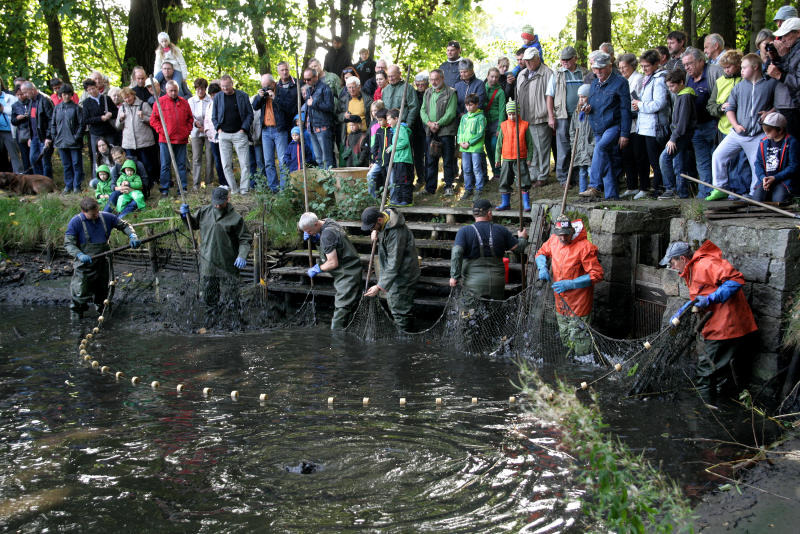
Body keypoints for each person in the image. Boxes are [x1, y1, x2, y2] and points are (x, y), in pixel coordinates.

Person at [661, 240, 758, 398]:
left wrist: (712, 298)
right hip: (720, 324)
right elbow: (702, 294)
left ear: (682, 259)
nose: (671, 267)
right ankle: (726, 404)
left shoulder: (706, 264)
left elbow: (736, 280)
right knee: (724, 371)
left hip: (726, 325)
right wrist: (683, 309)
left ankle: (703, 411)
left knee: (705, 371)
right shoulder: (691, 270)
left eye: (672, 262)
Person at [180, 187, 251, 327]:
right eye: (215, 202)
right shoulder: (204, 211)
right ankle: (211, 323)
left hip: (228, 263)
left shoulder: (236, 218)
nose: (217, 205)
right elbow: (193, 225)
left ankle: (235, 323)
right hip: (208, 261)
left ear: (227, 200)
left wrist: (242, 255)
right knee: (209, 297)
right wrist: (185, 216)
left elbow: (245, 239)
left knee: (232, 297)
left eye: (220, 202)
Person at [708, 53, 776, 200]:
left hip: (758, 134)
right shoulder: (739, 87)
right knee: (718, 155)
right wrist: (736, 125)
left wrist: (770, 112)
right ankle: (720, 187)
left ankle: (754, 193)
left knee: (756, 164)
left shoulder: (770, 84)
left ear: (755, 67)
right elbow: (730, 108)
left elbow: (778, 104)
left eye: (744, 67)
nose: (742, 70)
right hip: (737, 133)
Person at [535, 215, 604, 356]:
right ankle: (569, 368)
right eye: (560, 235)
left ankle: (583, 367)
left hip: (579, 304)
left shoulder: (584, 247)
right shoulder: (554, 240)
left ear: (572, 232)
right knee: (565, 337)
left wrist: (571, 283)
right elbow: (541, 252)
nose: (563, 238)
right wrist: (542, 266)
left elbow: (597, 274)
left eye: (566, 235)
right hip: (561, 303)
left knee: (580, 340)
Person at [64, 197, 140, 319]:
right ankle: (76, 319)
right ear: (84, 212)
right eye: (93, 214)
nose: (96, 216)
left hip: (104, 262)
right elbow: (69, 244)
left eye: (97, 212)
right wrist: (80, 255)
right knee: (80, 292)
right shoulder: (75, 222)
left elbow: (124, 225)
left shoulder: (106, 217)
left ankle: (104, 315)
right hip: (85, 265)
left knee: (104, 291)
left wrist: (132, 236)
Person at [449, 199, 528, 300]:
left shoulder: (464, 231)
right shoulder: (501, 230)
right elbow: (519, 248)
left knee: (471, 314)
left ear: (474, 214)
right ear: (489, 213)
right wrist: (522, 238)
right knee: (494, 314)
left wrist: (454, 276)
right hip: (497, 283)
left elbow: (457, 252)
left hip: (473, 285)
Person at [579, 51, 631, 200]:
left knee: (601, 148)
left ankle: (594, 186)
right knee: (606, 160)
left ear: (609, 66)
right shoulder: (594, 83)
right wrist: (588, 108)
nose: (598, 71)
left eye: (601, 68)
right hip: (597, 127)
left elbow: (625, 110)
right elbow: (593, 104)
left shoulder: (620, 82)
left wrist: (624, 134)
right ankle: (612, 195)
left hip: (614, 126)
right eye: (596, 68)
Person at [299, 211, 363, 330]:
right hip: (351, 267)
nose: (307, 233)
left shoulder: (327, 235)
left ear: (317, 224)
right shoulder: (328, 222)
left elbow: (333, 263)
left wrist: (318, 269)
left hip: (348, 273)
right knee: (351, 304)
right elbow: (331, 245)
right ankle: (348, 331)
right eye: (306, 232)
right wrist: (315, 238)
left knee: (342, 307)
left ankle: (337, 339)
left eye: (309, 231)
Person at [361, 206, 420, 331]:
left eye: (372, 227)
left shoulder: (396, 233)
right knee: (396, 305)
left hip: (404, 274)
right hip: (396, 274)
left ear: (380, 220)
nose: (371, 229)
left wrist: (379, 286)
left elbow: (394, 263)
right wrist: (376, 231)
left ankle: (404, 338)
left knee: (399, 309)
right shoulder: (385, 222)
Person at [682, 47, 724, 197]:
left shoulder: (714, 72)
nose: (687, 67)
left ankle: (718, 190)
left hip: (713, 124)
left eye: (690, 63)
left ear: (700, 61)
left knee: (716, 158)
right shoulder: (688, 78)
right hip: (696, 126)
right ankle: (704, 192)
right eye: (685, 65)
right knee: (702, 161)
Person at [706, 50, 748, 196]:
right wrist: (720, 108)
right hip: (724, 128)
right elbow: (710, 106)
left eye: (729, 67)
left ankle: (740, 191)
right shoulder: (720, 82)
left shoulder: (745, 80)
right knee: (724, 160)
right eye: (724, 67)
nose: (726, 70)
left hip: (743, 128)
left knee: (741, 163)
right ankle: (724, 189)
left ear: (738, 65)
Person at [632, 49, 670, 199]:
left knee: (656, 160)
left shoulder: (659, 79)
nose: (644, 69)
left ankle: (660, 187)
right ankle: (656, 186)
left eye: (647, 66)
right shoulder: (648, 79)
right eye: (642, 66)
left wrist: (640, 105)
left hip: (655, 127)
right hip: (645, 126)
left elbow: (659, 104)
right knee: (650, 159)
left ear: (656, 64)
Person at [546, 45, 585, 187]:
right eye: (563, 60)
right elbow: (549, 96)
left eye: (568, 59)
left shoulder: (584, 73)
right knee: (563, 147)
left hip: (580, 116)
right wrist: (551, 116)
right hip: (562, 115)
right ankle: (563, 178)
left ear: (575, 58)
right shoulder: (557, 74)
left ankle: (576, 176)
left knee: (579, 145)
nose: (565, 62)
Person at [516, 47, 554, 187]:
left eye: (531, 60)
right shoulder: (522, 74)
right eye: (526, 60)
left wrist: (550, 115)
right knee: (531, 149)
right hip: (525, 118)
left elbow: (552, 96)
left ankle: (543, 176)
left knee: (542, 148)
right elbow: (518, 95)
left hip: (540, 117)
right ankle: (533, 174)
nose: (529, 63)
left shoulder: (547, 73)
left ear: (538, 59)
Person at [150, 80, 194, 196]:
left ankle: (182, 188)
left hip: (181, 139)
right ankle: (165, 188)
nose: (173, 93)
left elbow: (190, 119)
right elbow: (153, 120)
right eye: (171, 91)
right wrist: (163, 131)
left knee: (181, 164)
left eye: (175, 90)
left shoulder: (184, 102)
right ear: (166, 90)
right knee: (165, 165)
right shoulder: (159, 103)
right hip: (165, 140)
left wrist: (187, 131)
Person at [211, 75, 253, 194]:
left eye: (227, 86)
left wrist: (244, 129)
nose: (225, 89)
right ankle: (234, 189)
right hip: (224, 135)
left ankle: (244, 189)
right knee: (226, 164)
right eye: (223, 87)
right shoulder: (218, 97)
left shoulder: (242, 96)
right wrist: (218, 130)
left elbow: (250, 114)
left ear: (232, 84)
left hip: (240, 134)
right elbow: (214, 116)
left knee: (244, 163)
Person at [658, 69, 696, 199]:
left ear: (681, 82)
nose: (671, 89)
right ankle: (682, 193)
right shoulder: (681, 95)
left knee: (664, 158)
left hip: (681, 136)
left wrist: (673, 138)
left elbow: (683, 122)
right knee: (678, 164)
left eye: (672, 86)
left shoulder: (685, 97)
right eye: (668, 86)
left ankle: (670, 188)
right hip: (679, 134)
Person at [420, 69, 458, 195]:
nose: (433, 82)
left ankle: (448, 186)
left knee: (447, 160)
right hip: (430, 131)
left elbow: (451, 112)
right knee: (430, 160)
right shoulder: (428, 92)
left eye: (436, 79)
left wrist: (438, 123)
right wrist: (429, 123)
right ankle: (430, 188)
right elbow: (423, 110)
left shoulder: (451, 92)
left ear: (442, 78)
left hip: (446, 131)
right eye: (431, 79)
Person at [618, 53, 650, 198]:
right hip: (625, 123)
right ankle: (631, 185)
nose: (622, 70)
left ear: (632, 66)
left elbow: (637, 100)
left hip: (637, 122)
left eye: (624, 67)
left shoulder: (638, 79)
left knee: (639, 155)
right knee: (627, 154)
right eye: (620, 68)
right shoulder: (622, 81)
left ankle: (644, 186)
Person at [115, 87, 156, 196]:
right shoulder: (122, 108)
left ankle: (149, 185)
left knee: (147, 165)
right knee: (130, 165)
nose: (127, 100)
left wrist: (143, 117)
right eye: (124, 98)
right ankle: (134, 186)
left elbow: (154, 121)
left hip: (144, 142)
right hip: (129, 143)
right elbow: (117, 126)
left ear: (133, 95)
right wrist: (120, 119)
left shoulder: (143, 105)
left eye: (128, 97)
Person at [494, 100, 533, 211]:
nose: (511, 116)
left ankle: (526, 204)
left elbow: (530, 143)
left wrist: (529, 157)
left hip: (520, 158)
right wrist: (497, 158)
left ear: (518, 113)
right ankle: (505, 203)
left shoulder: (524, 125)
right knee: (504, 180)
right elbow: (499, 144)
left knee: (523, 180)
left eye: (514, 113)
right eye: (509, 114)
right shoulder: (504, 126)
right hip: (506, 158)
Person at [767, 17, 800, 139]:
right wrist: (777, 58)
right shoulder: (793, 49)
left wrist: (779, 75)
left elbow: (798, 81)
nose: (783, 39)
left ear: (798, 33)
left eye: (786, 35)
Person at [753, 111, 798, 202]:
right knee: (757, 200)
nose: (766, 132)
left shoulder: (791, 142)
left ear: (780, 130)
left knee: (779, 201)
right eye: (764, 129)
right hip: (766, 180)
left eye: (769, 130)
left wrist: (775, 178)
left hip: (782, 181)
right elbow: (758, 163)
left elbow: (793, 166)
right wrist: (762, 178)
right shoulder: (763, 142)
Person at [47, 84, 84, 193]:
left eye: (68, 94)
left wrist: (76, 137)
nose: (66, 96)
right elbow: (53, 123)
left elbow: (82, 125)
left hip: (74, 142)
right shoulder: (57, 108)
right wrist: (54, 136)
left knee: (76, 164)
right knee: (66, 165)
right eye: (64, 94)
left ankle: (77, 186)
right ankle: (68, 186)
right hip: (61, 142)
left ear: (71, 95)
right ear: (60, 95)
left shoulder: (77, 108)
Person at [82, 78, 118, 176]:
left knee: (113, 153)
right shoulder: (86, 103)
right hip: (96, 133)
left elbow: (116, 112)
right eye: (89, 90)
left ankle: (115, 175)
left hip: (109, 131)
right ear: (87, 91)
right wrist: (100, 118)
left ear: (97, 87)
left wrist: (110, 114)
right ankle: (98, 177)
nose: (92, 91)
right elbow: (86, 120)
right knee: (97, 155)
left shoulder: (106, 99)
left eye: (93, 88)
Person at [301, 67, 336, 169]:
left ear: (316, 77)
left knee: (327, 159)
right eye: (305, 80)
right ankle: (323, 182)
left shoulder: (325, 88)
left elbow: (330, 107)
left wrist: (314, 103)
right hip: (311, 127)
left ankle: (330, 182)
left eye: (309, 79)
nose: (306, 81)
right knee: (318, 159)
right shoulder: (308, 90)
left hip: (323, 127)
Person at [457, 93, 487, 201]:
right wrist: (460, 142)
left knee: (476, 168)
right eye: (467, 105)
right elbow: (460, 130)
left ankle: (479, 189)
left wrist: (469, 142)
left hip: (475, 148)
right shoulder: (464, 117)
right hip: (464, 148)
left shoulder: (480, 117)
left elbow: (480, 133)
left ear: (477, 104)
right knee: (466, 169)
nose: (469, 107)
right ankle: (468, 189)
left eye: (471, 105)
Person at [22, 81, 54, 178]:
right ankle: (39, 182)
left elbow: (51, 119)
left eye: (26, 92)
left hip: (44, 137)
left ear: (32, 90)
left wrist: (48, 137)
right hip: (34, 137)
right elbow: (31, 121)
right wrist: (30, 137)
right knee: (33, 159)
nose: (24, 95)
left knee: (45, 161)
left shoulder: (45, 100)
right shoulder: (31, 101)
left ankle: (48, 183)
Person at [188, 78, 213, 190]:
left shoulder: (210, 100)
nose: (200, 91)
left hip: (208, 132)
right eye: (198, 89)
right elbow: (190, 116)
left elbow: (212, 116)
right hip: (196, 132)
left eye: (202, 89)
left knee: (209, 157)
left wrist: (206, 127)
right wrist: (196, 123)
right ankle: (196, 184)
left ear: (205, 89)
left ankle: (209, 182)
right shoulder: (191, 101)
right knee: (196, 158)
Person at [386, 108, 414, 206]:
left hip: (403, 159)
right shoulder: (395, 130)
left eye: (389, 119)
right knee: (399, 180)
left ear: (396, 118)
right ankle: (400, 199)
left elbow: (404, 142)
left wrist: (392, 147)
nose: (388, 122)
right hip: (398, 159)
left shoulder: (400, 129)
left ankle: (407, 200)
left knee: (404, 180)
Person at [570, 85, 595, 193]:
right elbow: (572, 130)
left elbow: (595, 131)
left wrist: (593, 144)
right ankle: (582, 191)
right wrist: (573, 144)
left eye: (584, 97)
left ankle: (592, 190)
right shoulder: (577, 114)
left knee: (591, 170)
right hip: (579, 147)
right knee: (582, 170)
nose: (581, 99)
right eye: (580, 97)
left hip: (589, 147)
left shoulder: (592, 113)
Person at [483, 67, 506, 179]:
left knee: (494, 145)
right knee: (487, 147)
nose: (494, 79)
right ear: (487, 76)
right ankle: (495, 171)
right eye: (492, 76)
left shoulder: (500, 92)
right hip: (484, 121)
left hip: (496, 122)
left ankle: (498, 170)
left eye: (496, 77)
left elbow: (502, 111)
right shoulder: (482, 88)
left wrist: (499, 128)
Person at [368, 108, 391, 198]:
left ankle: (391, 199)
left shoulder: (391, 131)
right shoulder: (378, 131)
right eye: (377, 120)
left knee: (390, 180)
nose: (378, 122)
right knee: (370, 175)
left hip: (389, 161)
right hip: (379, 160)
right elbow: (375, 147)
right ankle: (373, 198)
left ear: (386, 119)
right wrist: (373, 160)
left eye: (380, 120)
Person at [0, 86, 24, 174]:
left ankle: (19, 176)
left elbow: (17, 112)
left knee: (14, 155)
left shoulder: (10, 98)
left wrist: (3, 109)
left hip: (9, 131)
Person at [412, 72, 430, 187]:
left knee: (429, 155)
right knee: (417, 156)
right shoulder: (413, 94)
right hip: (415, 128)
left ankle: (429, 179)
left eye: (422, 84)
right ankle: (420, 178)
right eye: (417, 84)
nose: (420, 87)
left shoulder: (430, 93)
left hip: (427, 128)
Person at [11, 85, 32, 171]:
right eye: (18, 95)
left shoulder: (31, 102)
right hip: (22, 134)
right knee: (25, 156)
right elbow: (13, 121)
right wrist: (17, 118)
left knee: (33, 156)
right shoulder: (15, 105)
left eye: (21, 94)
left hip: (32, 132)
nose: (20, 96)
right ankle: (27, 175)